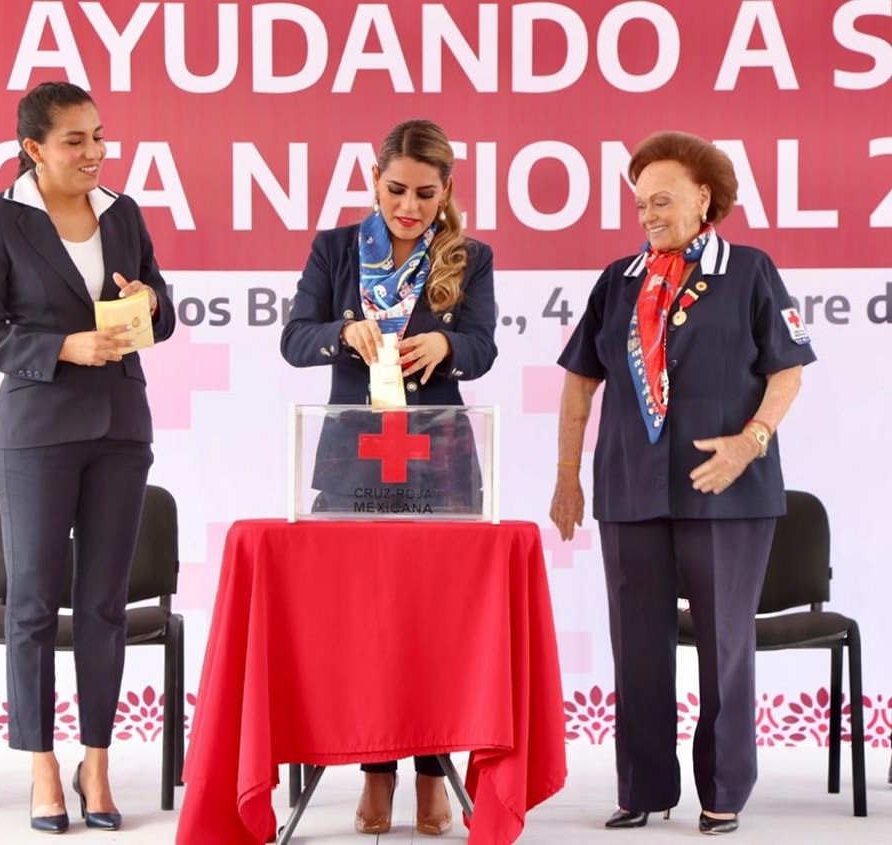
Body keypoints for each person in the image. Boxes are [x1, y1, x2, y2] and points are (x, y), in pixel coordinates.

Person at [549, 131, 815, 836]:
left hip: (727, 490)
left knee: (726, 644)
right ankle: (643, 787)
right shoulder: (620, 279)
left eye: (662, 200)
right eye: (640, 204)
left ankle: (723, 789)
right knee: (636, 646)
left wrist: (750, 441)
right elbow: (580, 383)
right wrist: (566, 476)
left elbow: (788, 370)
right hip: (629, 488)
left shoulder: (751, 270)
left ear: (704, 197)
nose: (648, 215)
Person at [0, 81, 175, 833]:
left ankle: (97, 763)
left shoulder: (124, 212)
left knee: (106, 604)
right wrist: (60, 346)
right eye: (74, 140)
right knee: (35, 604)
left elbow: (163, 314)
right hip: (37, 431)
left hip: (118, 425)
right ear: (33, 149)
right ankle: (43, 767)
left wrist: (146, 302)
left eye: (99, 136)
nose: (93, 153)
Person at [280, 119, 497, 836]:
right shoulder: (335, 249)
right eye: (397, 189)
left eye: (425, 194)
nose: (409, 206)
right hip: (351, 449)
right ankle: (375, 768)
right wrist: (342, 334)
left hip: (440, 450)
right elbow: (294, 338)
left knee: (436, 620)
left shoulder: (469, 255)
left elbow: (483, 346)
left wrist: (447, 343)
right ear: (375, 180)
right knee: (367, 620)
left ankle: (435, 773)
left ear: (447, 191)